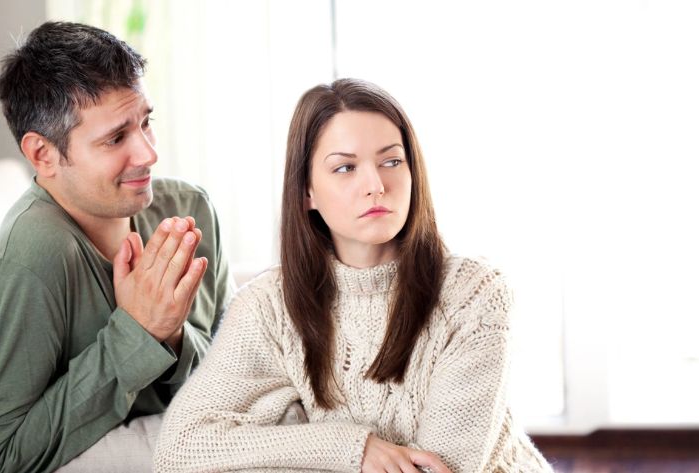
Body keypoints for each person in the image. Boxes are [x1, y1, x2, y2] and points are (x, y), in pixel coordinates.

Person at [154, 78, 553, 473]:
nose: (376, 186)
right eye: (345, 167)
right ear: (306, 191)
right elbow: (180, 448)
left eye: (392, 161)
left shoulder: (473, 293)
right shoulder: (268, 305)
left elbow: (441, 468)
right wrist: (351, 448)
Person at [0, 22, 232, 473]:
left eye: (146, 122)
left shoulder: (189, 209)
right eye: (116, 138)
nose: (148, 154)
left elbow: (240, 371)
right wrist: (138, 332)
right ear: (43, 154)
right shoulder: (30, 260)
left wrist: (172, 335)